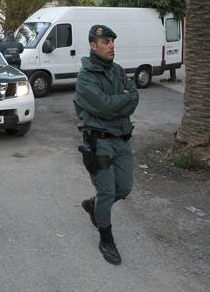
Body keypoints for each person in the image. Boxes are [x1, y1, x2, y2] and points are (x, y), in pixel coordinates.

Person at [73, 25, 139, 265]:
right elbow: (104, 106)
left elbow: (134, 98)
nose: (112, 46)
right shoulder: (86, 76)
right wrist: (119, 102)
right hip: (98, 142)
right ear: (93, 45)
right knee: (107, 191)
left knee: (124, 188)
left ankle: (94, 206)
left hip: (121, 140)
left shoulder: (118, 71)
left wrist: (116, 102)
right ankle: (106, 238)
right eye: (106, 42)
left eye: (113, 41)